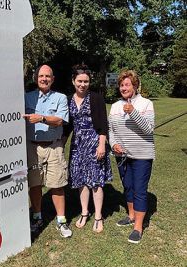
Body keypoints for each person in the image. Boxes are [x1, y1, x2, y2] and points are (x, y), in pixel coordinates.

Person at [23, 64, 72, 238]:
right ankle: (37, 217)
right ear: (36, 78)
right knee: (34, 183)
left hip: (53, 146)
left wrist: (42, 118)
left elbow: (60, 120)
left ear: (53, 79)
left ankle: (61, 220)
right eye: (41, 76)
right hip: (32, 147)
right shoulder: (26, 97)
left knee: (57, 184)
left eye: (47, 76)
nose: (44, 79)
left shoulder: (60, 98)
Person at [63, 64, 112, 233]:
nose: (82, 84)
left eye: (86, 81)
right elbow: (67, 125)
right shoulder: (68, 99)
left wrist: (101, 144)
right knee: (80, 180)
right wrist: (61, 145)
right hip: (77, 146)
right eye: (79, 81)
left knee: (96, 180)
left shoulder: (96, 98)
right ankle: (84, 212)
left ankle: (98, 216)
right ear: (73, 81)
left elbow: (104, 124)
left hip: (94, 142)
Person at [109, 69, 155, 244]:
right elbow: (111, 130)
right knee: (127, 187)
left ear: (135, 86)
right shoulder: (114, 106)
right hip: (122, 155)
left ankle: (138, 227)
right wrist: (114, 145)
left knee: (139, 190)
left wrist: (133, 112)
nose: (123, 87)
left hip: (142, 155)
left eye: (127, 84)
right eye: (121, 85)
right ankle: (130, 215)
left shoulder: (146, 104)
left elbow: (149, 129)